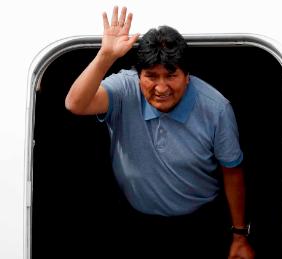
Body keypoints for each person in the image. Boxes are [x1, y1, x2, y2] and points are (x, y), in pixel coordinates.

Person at [65, 6, 255, 259]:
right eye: (151, 76)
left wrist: (239, 234)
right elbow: (75, 104)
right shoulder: (125, 88)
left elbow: (232, 170)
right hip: (136, 220)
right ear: (138, 75)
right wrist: (105, 56)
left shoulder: (216, 108)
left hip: (200, 223)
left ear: (187, 76)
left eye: (171, 75)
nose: (161, 87)